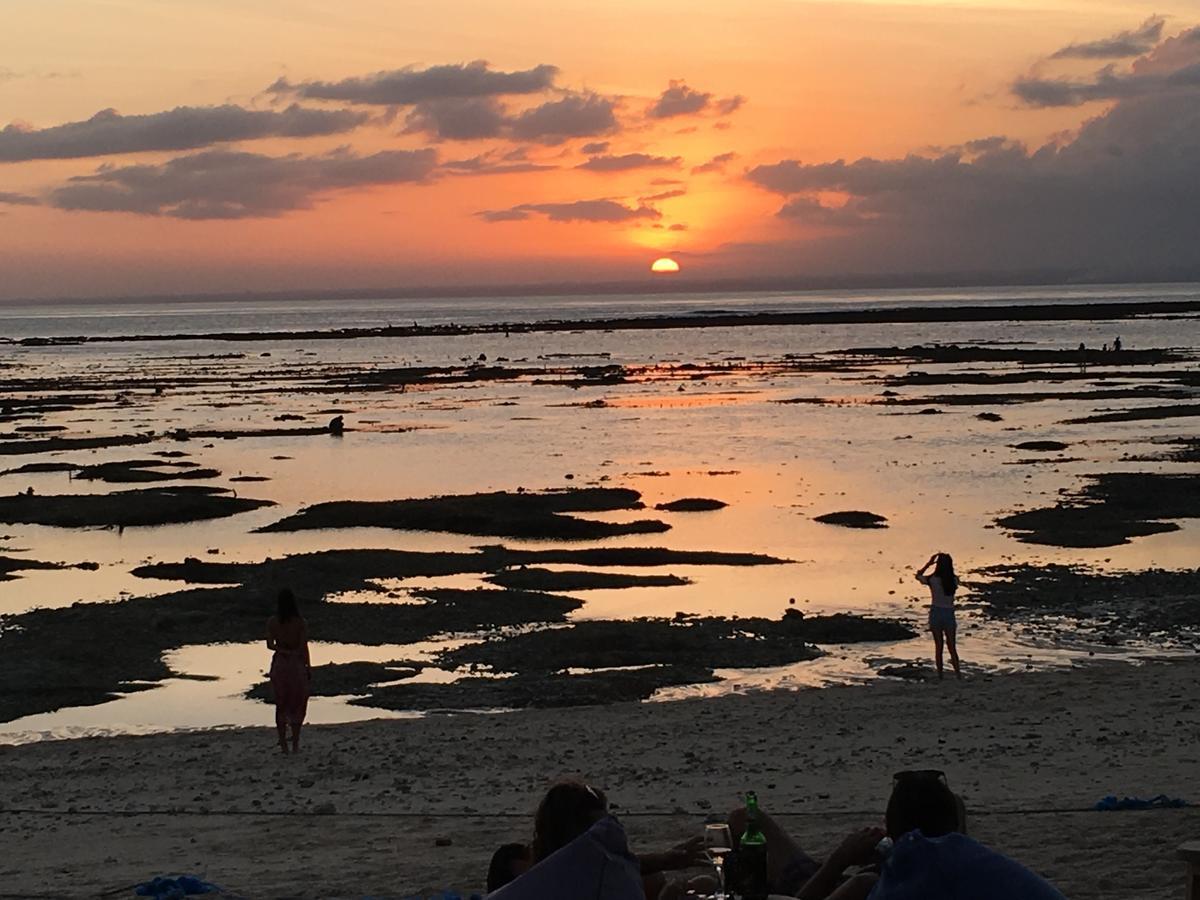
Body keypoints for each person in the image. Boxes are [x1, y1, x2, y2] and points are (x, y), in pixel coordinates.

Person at [266, 588, 310, 754]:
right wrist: (308, 666)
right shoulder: (301, 622)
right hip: (296, 665)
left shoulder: (272, 622)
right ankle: (296, 743)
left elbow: (270, 645)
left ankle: (284, 743)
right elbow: (303, 647)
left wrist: (282, 650)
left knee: (281, 703)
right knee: (298, 703)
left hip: (280, 664)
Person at [915, 553, 961, 680]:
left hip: (936, 612)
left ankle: (940, 675)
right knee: (952, 646)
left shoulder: (932, 580)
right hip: (949, 613)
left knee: (939, 646)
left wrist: (929, 564)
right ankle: (958, 674)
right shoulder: (954, 580)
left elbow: (918, 576)